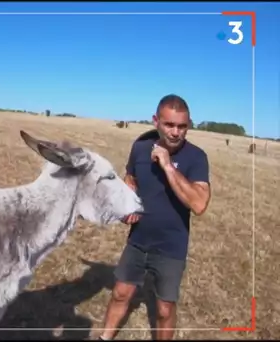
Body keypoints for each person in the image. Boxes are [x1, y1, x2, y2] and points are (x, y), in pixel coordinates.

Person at [97, 94, 211, 340]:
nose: (175, 132)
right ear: (156, 121)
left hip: (171, 247)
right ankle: (104, 337)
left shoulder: (196, 157)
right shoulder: (139, 148)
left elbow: (199, 204)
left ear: (188, 125)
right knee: (120, 294)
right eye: (169, 125)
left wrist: (168, 166)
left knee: (164, 309)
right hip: (138, 240)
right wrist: (126, 207)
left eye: (182, 126)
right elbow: (131, 180)